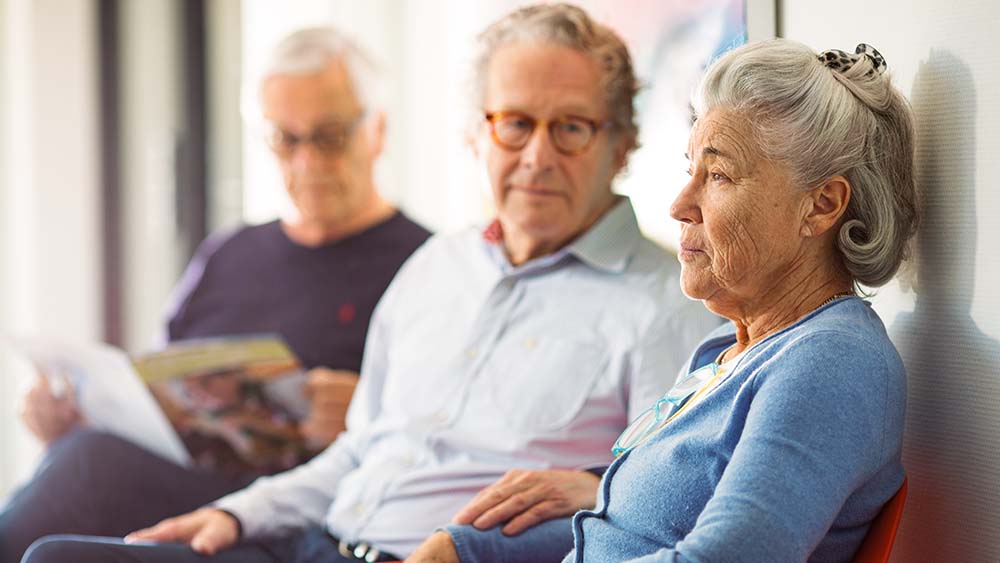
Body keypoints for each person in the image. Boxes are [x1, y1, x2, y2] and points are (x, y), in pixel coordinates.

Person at [18, 4, 719, 563]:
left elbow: (668, 502)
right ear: (478, 134)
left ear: (621, 144)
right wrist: (237, 513)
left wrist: (596, 487)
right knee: (56, 555)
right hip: (305, 538)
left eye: (571, 127)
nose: (537, 155)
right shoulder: (437, 268)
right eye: (515, 123)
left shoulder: (668, 304)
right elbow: (360, 449)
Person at [0, 26, 430, 563]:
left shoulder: (427, 265)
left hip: (304, 510)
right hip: (185, 487)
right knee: (79, 455)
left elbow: (449, 434)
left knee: (86, 472)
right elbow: (153, 397)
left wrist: (366, 409)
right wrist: (74, 419)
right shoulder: (230, 253)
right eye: (284, 139)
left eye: (329, 136)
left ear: (378, 132)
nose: (307, 163)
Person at [552, 39, 917, 562]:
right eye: (690, 172)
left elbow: (731, 556)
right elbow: (619, 531)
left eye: (719, 175)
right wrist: (466, 548)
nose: (680, 206)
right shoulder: (725, 351)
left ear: (821, 205)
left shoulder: (834, 361)